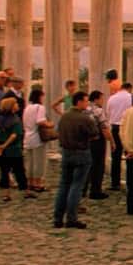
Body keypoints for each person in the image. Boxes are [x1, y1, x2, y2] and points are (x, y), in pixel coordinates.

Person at [54, 92, 103, 228]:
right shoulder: (85, 119)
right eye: (86, 101)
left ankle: (58, 217)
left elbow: (58, 132)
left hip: (66, 152)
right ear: (79, 102)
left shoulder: (64, 117)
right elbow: (95, 135)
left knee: (64, 185)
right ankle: (71, 218)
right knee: (76, 186)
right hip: (81, 152)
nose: (87, 104)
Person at [105, 81, 133, 191]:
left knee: (115, 156)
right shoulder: (132, 97)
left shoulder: (111, 98)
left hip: (115, 128)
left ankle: (115, 183)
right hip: (127, 127)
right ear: (130, 88)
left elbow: (108, 113)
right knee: (130, 155)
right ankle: (130, 182)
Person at [22, 89, 52, 193]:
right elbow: (40, 121)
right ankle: (37, 183)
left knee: (29, 162)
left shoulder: (27, 108)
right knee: (39, 161)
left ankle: (29, 182)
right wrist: (50, 124)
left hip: (27, 137)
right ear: (39, 97)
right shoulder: (40, 107)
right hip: (37, 138)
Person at [84, 90, 111, 200]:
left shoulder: (85, 110)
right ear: (96, 99)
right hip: (98, 140)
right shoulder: (99, 111)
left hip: (86, 140)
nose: (103, 101)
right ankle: (96, 190)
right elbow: (104, 127)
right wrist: (112, 141)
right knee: (98, 165)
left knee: (88, 165)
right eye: (101, 99)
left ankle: (83, 188)